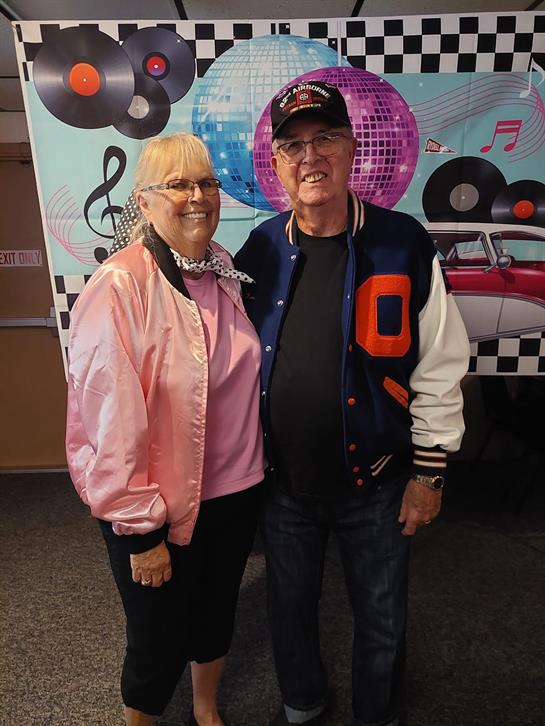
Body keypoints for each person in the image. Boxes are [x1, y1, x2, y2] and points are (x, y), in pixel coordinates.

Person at [234, 81, 470, 726]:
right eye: (293, 146)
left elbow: (441, 360)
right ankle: (303, 705)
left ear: (352, 149)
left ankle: (377, 714)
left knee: (382, 615)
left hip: (380, 481)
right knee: (288, 610)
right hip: (283, 483)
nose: (310, 157)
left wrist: (429, 472)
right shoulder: (259, 248)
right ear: (277, 163)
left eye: (325, 139)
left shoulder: (402, 242)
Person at [65, 133, 264, 726]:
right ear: (145, 201)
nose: (197, 196)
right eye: (178, 184)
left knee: (215, 616)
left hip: (237, 491)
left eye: (206, 183)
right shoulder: (120, 285)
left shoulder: (224, 269)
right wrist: (139, 533)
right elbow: (109, 421)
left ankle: (206, 711)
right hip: (158, 506)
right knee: (156, 638)